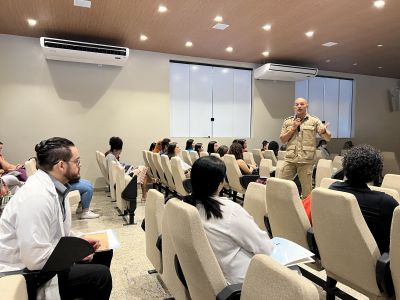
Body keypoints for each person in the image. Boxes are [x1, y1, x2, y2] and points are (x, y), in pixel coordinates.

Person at [0, 137, 112, 300]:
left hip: (42, 259)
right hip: (24, 273)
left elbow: (57, 230)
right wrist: (75, 253)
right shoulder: (36, 197)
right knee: (100, 276)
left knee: (104, 252)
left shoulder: (57, 186)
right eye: (77, 161)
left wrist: (80, 240)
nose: (79, 166)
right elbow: (34, 259)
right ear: (61, 165)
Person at [185, 156, 273, 284]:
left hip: (207, 278)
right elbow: (265, 248)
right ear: (220, 184)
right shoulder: (229, 211)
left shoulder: (186, 205)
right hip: (240, 284)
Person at [329, 145, 398, 253]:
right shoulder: (385, 202)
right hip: (378, 262)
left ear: (345, 166)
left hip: (338, 251)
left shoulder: (333, 189)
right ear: (376, 172)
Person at [279, 98, 331, 198]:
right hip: (290, 159)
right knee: (281, 185)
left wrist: (324, 131)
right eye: (297, 104)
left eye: (302, 104)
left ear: (307, 106)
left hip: (306, 161)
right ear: (294, 107)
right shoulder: (288, 121)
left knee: (307, 191)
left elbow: (328, 138)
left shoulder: (314, 121)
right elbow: (282, 140)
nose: (299, 106)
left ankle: (305, 212)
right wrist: (292, 129)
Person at [106, 136, 148, 201]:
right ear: (115, 150)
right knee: (143, 170)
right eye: (119, 152)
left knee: (141, 170)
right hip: (123, 178)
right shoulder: (111, 158)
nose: (119, 154)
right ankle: (144, 196)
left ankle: (144, 196)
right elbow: (118, 171)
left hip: (122, 175)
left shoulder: (109, 155)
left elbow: (117, 168)